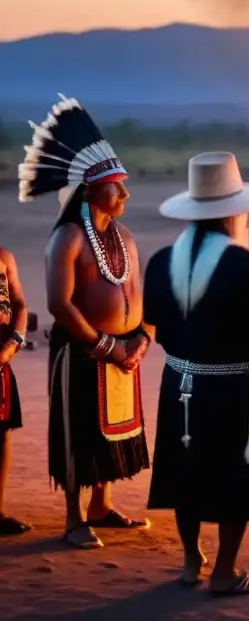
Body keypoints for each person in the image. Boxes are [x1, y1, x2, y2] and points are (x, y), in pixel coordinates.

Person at [145, 152, 249, 593]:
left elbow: (154, 322)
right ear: (234, 214)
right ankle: (225, 572)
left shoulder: (163, 260)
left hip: (180, 385)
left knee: (186, 468)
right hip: (234, 389)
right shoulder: (243, 262)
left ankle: (192, 562)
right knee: (235, 476)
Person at [19, 96, 152, 549]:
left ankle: (101, 505)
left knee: (113, 435)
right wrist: (104, 346)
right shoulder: (68, 238)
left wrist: (140, 339)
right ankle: (75, 516)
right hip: (81, 351)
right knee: (80, 433)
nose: (126, 195)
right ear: (91, 190)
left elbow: (137, 294)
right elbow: (59, 304)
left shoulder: (126, 236)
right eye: (118, 187)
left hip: (123, 349)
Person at [0, 247, 30, 536]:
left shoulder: (4, 257)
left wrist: (13, 343)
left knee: (1, 434)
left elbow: (20, 304)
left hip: (1, 360)